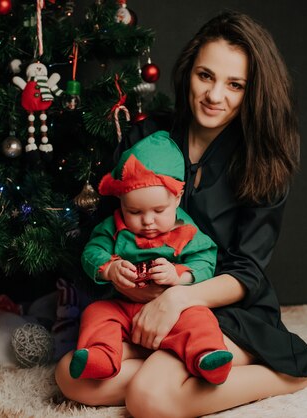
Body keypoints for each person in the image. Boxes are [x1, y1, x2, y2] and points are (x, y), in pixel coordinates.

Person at [56, 10, 307, 417]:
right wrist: (123, 280)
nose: (216, 96)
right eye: (206, 76)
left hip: (225, 309)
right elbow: (115, 227)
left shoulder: (262, 162)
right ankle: (173, 359)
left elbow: (247, 271)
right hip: (142, 301)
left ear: (253, 92)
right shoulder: (145, 137)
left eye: (235, 85)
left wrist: (179, 299)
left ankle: (300, 375)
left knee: (149, 398)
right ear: (188, 73)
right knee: (70, 378)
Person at [72, 131, 233, 385]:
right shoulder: (112, 228)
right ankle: (102, 355)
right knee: (97, 312)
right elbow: (91, 252)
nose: (147, 221)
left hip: (173, 310)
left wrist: (179, 275)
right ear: (121, 202)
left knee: (200, 318)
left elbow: (205, 262)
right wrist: (110, 269)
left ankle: (207, 355)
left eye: (159, 211)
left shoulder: (186, 231)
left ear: (177, 198)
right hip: (124, 306)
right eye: (133, 211)